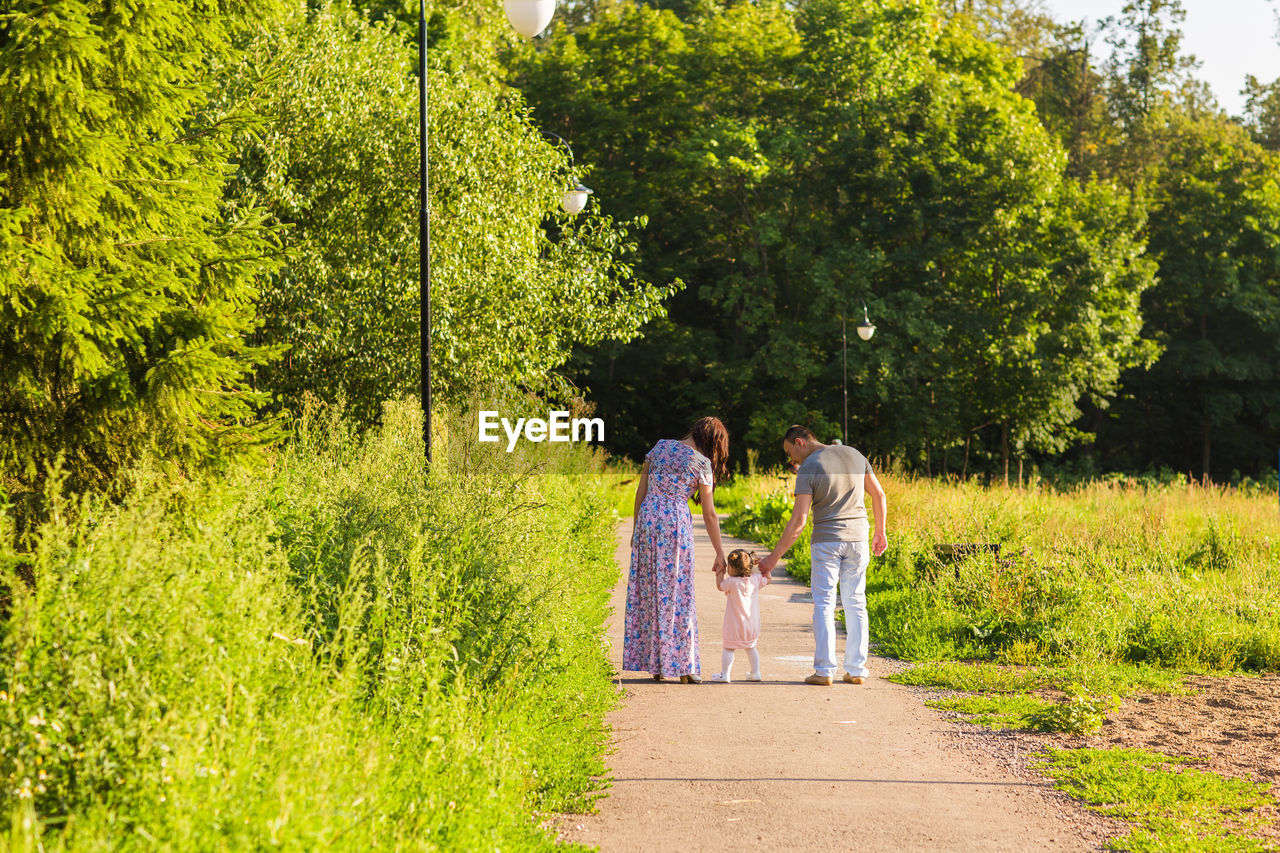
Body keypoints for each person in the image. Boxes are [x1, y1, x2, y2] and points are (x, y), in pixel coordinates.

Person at [759, 425, 888, 686]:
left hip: (827, 542)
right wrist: (881, 531)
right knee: (855, 602)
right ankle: (857, 669)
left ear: (799, 442)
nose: (791, 460)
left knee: (824, 603)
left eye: (790, 452)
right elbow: (879, 494)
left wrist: (773, 558)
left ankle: (824, 670)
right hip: (858, 538)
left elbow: (799, 521)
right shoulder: (855, 454)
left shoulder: (809, 466)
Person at [623, 417, 730, 683]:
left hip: (648, 517)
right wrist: (719, 551)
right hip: (674, 523)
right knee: (678, 593)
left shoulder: (659, 447)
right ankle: (683, 666)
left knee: (649, 591)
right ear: (712, 441)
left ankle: (657, 664)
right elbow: (709, 513)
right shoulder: (702, 463)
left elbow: (641, 490)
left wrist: (637, 528)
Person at [709, 549, 770, 684]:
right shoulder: (755, 580)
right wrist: (763, 567)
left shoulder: (732, 582)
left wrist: (720, 571)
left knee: (729, 648)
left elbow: (720, 586)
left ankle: (725, 674)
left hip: (734, 625)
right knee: (751, 647)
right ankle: (756, 672)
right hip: (751, 624)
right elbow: (768, 578)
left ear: (730, 568)